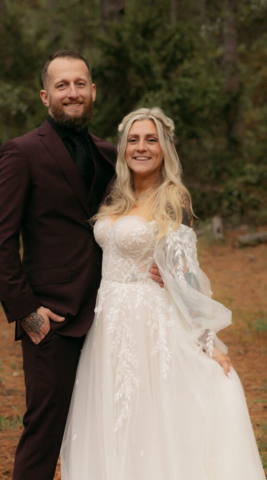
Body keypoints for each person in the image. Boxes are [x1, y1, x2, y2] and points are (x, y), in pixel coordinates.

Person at [0, 51, 162, 480]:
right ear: (46, 96)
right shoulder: (21, 152)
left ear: (93, 91)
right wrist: (28, 312)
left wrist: (161, 264)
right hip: (53, 318)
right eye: (62, 85)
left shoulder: (108, 156)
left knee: (110, 425)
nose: (73, 92)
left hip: (109, 315)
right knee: (45, 429)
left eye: (80, 83)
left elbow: (142, 209)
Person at [61, 107, 266, 480]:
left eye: (151, 140)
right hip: (107, 321)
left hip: (149, 321)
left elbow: (186, 275)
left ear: (164, 148)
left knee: (152, 414)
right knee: (116, 414)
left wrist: (208, 341)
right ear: (123, 148)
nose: (142, 147)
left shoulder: (173, 198)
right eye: (134, 140)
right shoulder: (116, 197)